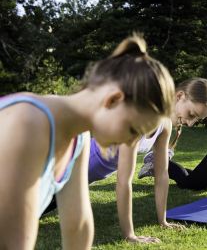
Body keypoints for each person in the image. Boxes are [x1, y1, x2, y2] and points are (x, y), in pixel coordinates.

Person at [0, 33, 175, 249]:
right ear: (113, 99)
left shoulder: (78, 138)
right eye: (132, 130)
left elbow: (78, 225)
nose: (132, 143)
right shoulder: (28, 123)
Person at [43, 78, 207, 244]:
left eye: (196, 120)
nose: (190, 123)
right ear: (179, 96)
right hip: (58, 169)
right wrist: (130, 235)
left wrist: (163, 221)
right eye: (191, 114)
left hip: (74, 181)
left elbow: (162, 175)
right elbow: (123, 182)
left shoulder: (164, 126)